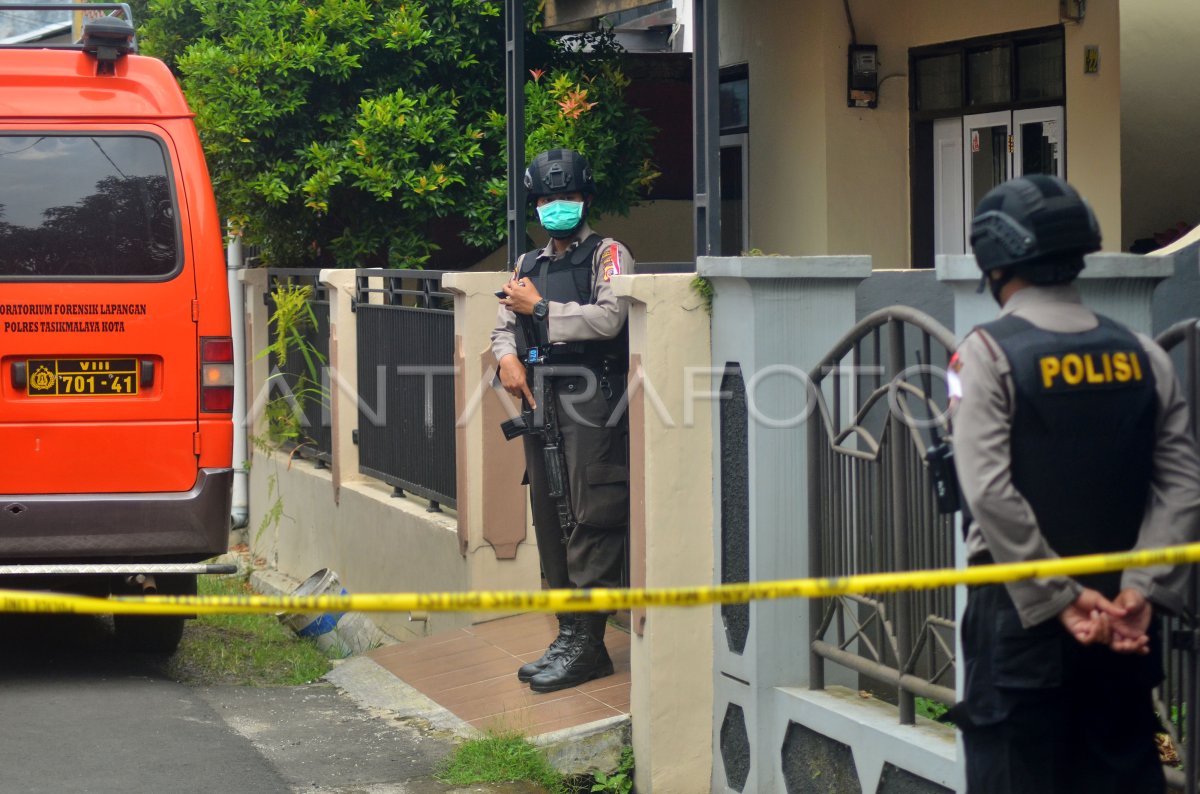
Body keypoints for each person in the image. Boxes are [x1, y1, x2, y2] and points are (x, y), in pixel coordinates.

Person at [948, 174, 1200, 793]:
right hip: (1123, 626)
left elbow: (987, 490)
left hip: (1020, 627)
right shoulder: (1145, 354)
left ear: (994, 261)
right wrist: (1142, 589)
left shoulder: (984, 355)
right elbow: (1183, 487)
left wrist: (1059, 596)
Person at [490, 148, 632, 693]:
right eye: (548, 199)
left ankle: (590, 643)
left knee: (591, 508)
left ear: (586, 200)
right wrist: (505, 356)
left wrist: (543, 311)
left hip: (593, 397)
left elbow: (611, 315)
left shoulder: (609, 254)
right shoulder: (528, 265)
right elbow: (504, 321)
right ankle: (570, 630)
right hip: (540, 399)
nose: (557, 207)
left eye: (567, 197)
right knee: (551, 510)